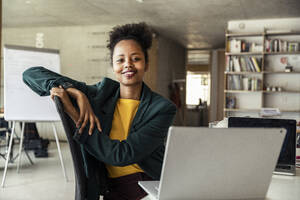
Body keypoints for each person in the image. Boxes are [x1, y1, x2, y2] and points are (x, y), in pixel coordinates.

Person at [23, 22, 176, 200]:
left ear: (146, 64)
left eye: (135, 58)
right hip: (110, 188)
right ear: (113, 65)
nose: (128, 65)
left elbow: (121, 155)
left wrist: (75, 115)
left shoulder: (162, 109)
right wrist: (75, 92)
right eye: (120, 60)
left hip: (150, 187)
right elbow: (30, 74)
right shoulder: (99, 94)